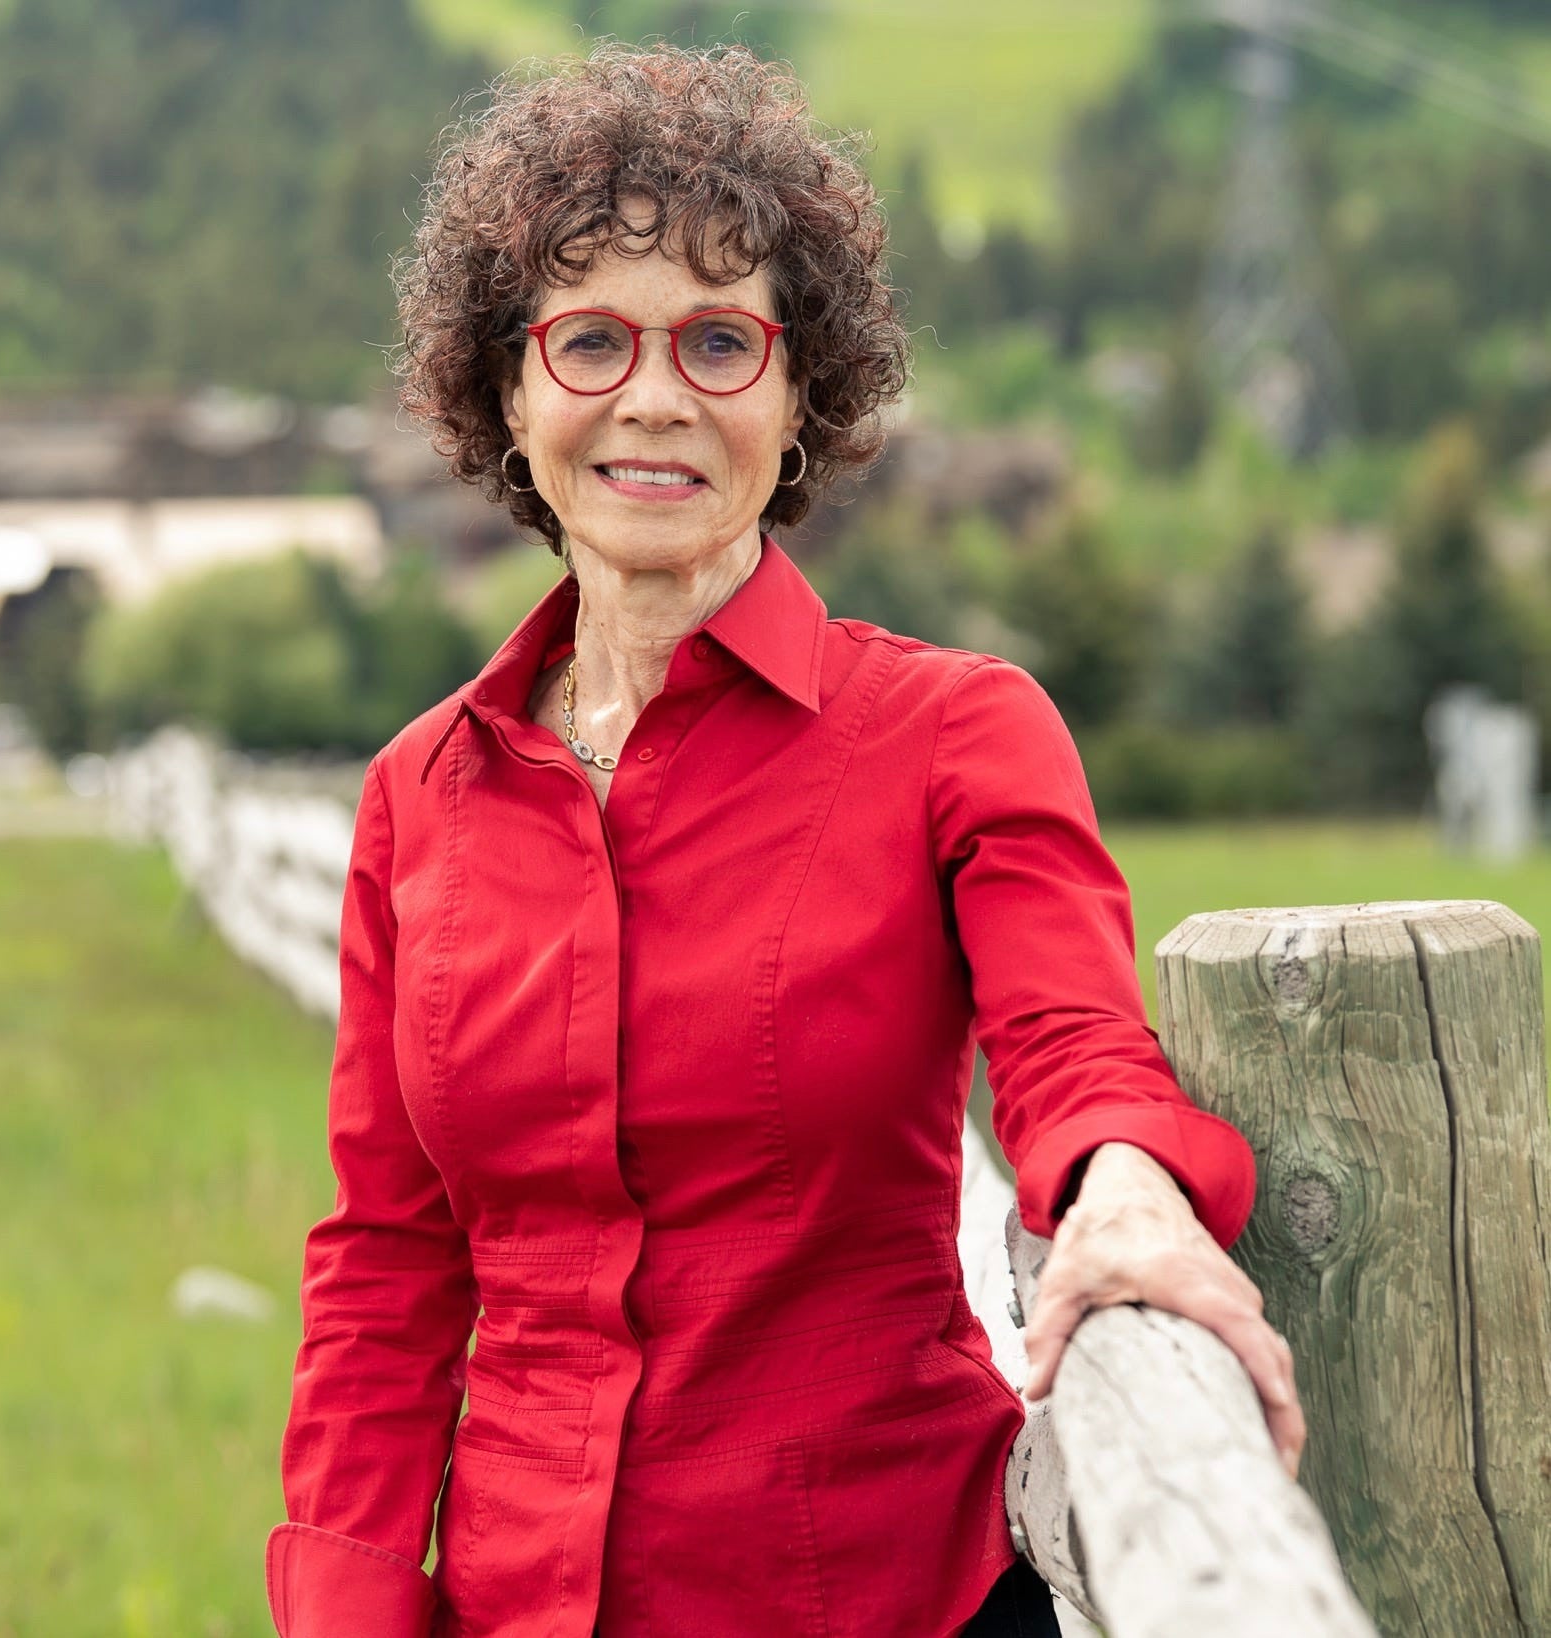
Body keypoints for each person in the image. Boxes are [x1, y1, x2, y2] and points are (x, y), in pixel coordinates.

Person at [266, 42, 1304, 1638]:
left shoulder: (958, 730)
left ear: (803, 391)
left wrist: (1121, 1191)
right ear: (508, 390)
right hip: (514, 1602)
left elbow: (1070, 1042)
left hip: (881, 1589)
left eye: (720, 340)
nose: (656, 395)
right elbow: (386, 1261)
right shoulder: (421, 792)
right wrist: (344, 1602)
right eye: (591, 338)